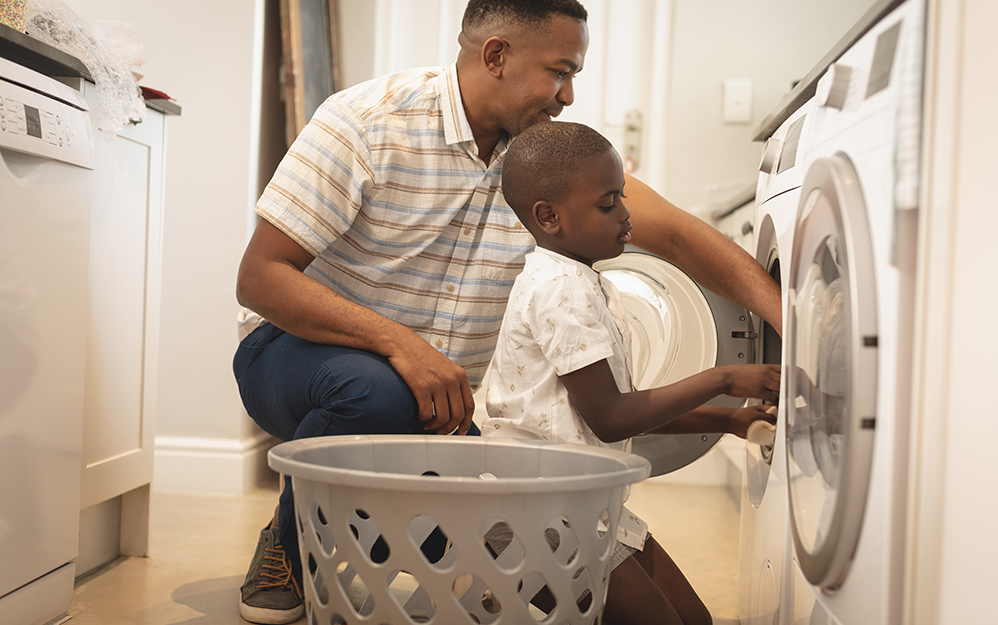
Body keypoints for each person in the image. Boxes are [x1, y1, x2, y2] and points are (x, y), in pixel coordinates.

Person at [232, 1, 782, 623]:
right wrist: (400, 345)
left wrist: (795, 323)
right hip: (299, 358)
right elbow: (261, 279)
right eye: (560, 71)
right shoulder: (365, 122)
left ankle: (359, 534)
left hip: (449, 405)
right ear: (497, 56)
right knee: (378, 391)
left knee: (469, 531)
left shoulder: (550, 170)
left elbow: (682, 238)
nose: (569, 95)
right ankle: (289, 538)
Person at [480, 120, 778, 625]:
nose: (626, 214)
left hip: (577, 502)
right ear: (548, 216)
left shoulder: (582, 281)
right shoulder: (560, 291)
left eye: (621, 196)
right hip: (533, 514)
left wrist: (727, 421)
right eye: (607, 204)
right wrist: (724, 380)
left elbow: (617, 408)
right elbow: (612, 418)